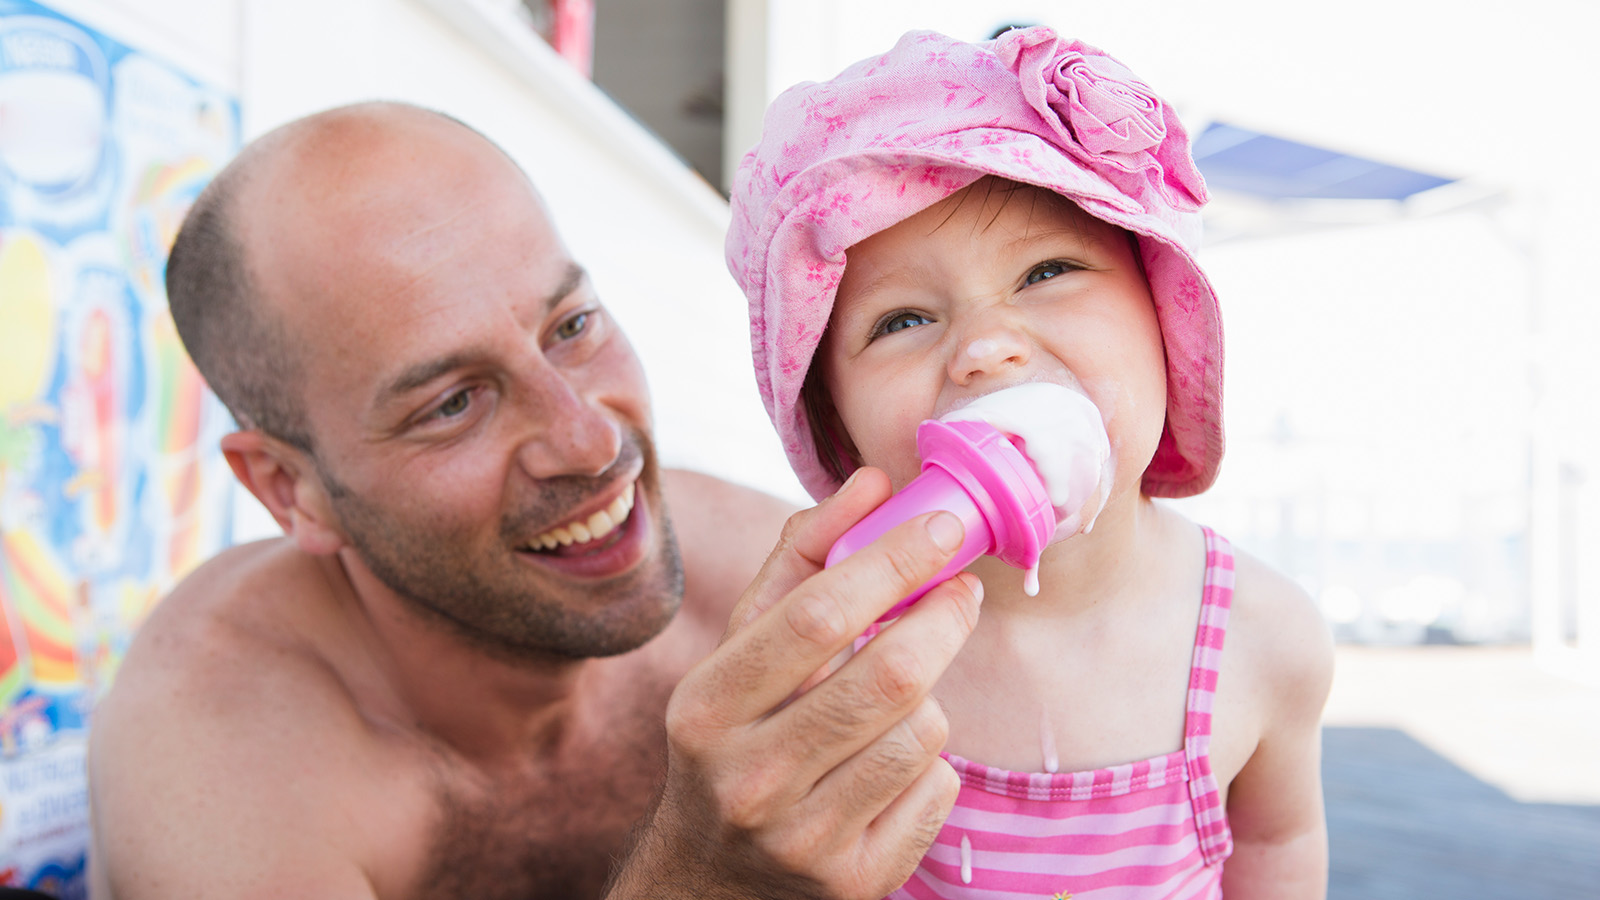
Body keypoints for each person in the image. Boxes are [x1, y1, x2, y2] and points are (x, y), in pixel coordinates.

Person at [87, 101, 990, 900]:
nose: (592, 442)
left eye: (571, 327)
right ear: (292, 489)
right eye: (451, 404)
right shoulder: (219, 764)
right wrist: (705, 885)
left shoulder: (757, 576)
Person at [725, 27, 1335, 898]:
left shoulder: (1263, 638)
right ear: (836, 422)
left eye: (1048, 270)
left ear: (1166, 319)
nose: (984, 348)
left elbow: (1278, 845)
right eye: (901, 320)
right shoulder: (843, 651)